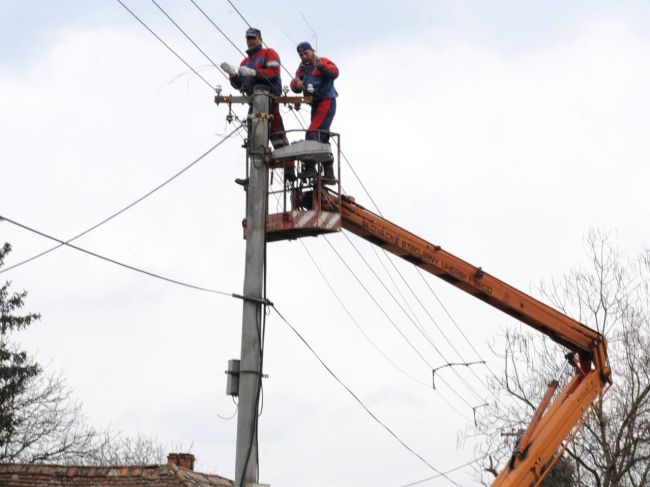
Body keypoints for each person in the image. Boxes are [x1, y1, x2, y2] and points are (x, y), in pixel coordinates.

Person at [227, 28, 295, 182]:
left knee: (277, 134)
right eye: (248, 39)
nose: (250, 41)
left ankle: (289, 168)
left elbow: (273, 72)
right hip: (254, 100)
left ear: (260, 39)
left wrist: (254, 73)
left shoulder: (269, 53)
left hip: (269, 97)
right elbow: (240, 85)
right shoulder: (245, 62)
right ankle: (254, 176)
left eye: (253, 38)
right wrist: (233, 76)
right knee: (254, 137)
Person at [290, 41, 339, 182]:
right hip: (315, 104)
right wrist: (297, 84)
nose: (304, 56)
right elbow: (295, 83)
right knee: (322, 136)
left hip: (327, 101)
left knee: (313, 133)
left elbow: (335, 72)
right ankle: (329, 173)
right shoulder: (302, 69)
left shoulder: (322, 61)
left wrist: (321, 67)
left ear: (312, 51)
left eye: (305, 53)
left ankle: (310, 167)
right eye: (301, 55)